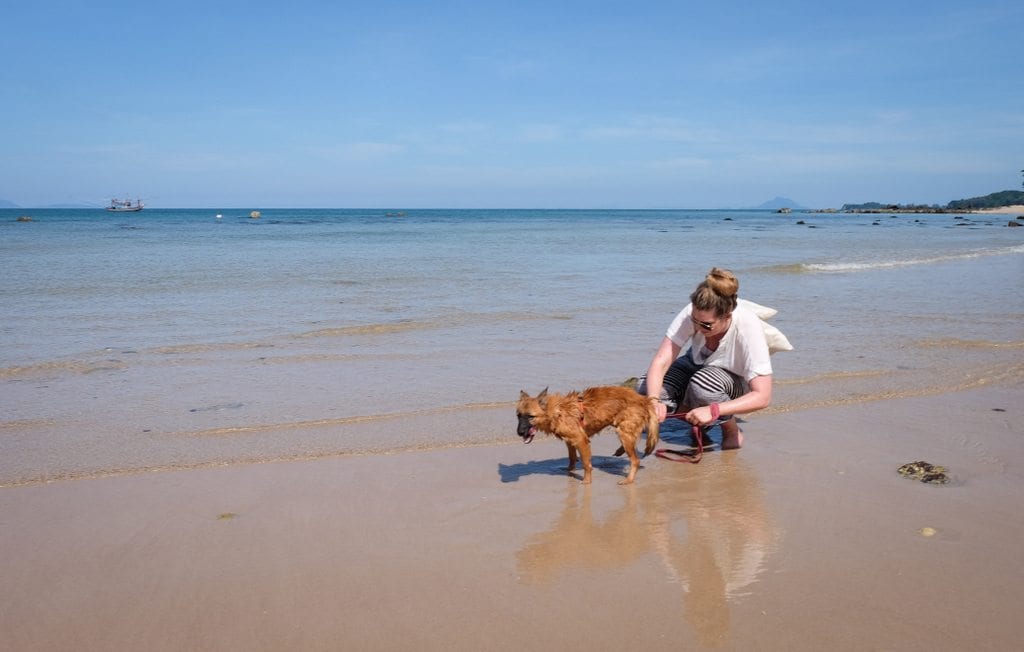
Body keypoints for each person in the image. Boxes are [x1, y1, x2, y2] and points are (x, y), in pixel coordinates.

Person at [638, 267, 772, 449]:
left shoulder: (748, 328)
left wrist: (713, 410)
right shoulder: (694, 313)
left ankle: (730, 430)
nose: (699, 328)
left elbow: (763, 397)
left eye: (707, 325)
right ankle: (696, 420)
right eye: (694, 321)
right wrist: (653, 400)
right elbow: (661, 361)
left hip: (732, 379)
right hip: (695, 363)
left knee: (702, 386)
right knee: (645, 387)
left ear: (727, 317)